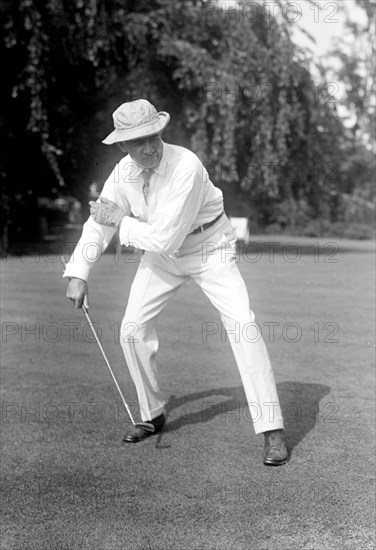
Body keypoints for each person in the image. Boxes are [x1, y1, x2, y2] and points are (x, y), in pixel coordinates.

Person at [64, 99, 288, 466]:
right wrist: (78, 272)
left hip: (209, 246)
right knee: (131, 330)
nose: (149, 148)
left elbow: (163, 236)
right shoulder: (123, 173)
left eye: (153, 136)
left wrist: (120, 218)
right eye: (138, 142)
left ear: (161, 131)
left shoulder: (187, 166)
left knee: (243, 325)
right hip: (161, 257)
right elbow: (99, 221)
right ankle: (152, 415)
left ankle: (272, 429)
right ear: (123, 145)